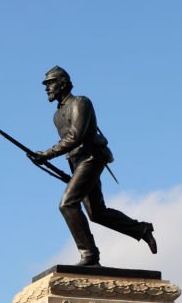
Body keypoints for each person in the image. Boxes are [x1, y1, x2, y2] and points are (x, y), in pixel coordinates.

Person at [27, 66, 156, 267]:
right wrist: (43, 159)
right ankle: (141, 229)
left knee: (67, 204)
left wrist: (47, 154)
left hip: (91, 158)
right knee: (96, 212)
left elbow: (75, 136)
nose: (47, 88)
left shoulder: (81, 102)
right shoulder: (57, 115)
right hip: (77, 162)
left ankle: (89, 254)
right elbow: (70, 146)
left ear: (63, 82)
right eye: (46, 84)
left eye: (50, 83)